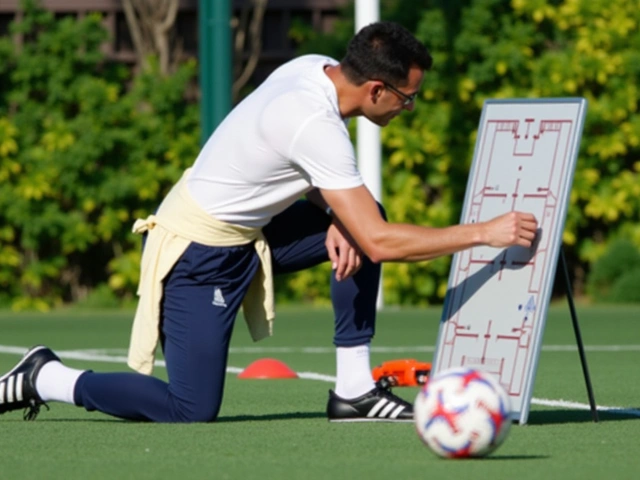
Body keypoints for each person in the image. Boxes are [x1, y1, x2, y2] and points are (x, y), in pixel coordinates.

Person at [0, 21, 537, 423]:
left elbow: (311, 181)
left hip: (251, 232)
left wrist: (337, 214)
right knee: (190, 409)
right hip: (197, 252)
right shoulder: (313, 122)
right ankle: (47, 377)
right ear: (376, 90)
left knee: (364, 218)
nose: (408, 108)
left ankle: (353, 391)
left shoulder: (316, 68)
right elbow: (378, 242)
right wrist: (484, 234)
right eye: (408, 99)